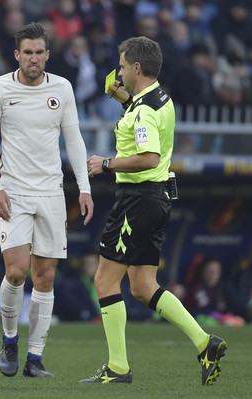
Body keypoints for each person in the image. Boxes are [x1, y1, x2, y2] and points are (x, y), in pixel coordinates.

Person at [80, 36, 226, 386]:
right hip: (156, 199)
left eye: (121, 64)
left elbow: (149, 157)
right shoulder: (157, 98)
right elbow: (142, 119)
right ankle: (205, 343)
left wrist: (106, 163)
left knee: (104, 279)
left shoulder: (144, 110)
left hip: (137, 199)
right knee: (144, 286)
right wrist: (122, 97)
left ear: (136, 68)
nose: (117, 70)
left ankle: (117, 368)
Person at [0, 21, 94, 378]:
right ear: (17, 54)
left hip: (52, 193)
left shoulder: (62, 88)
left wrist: (84, 187)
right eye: (26, 52)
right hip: (13, 192)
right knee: (16, 272)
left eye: (38, 52)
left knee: (45, 278)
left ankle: (35, 358)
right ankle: (10, 339)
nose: (33, 58)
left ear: (47, 54)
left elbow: (73, 140)